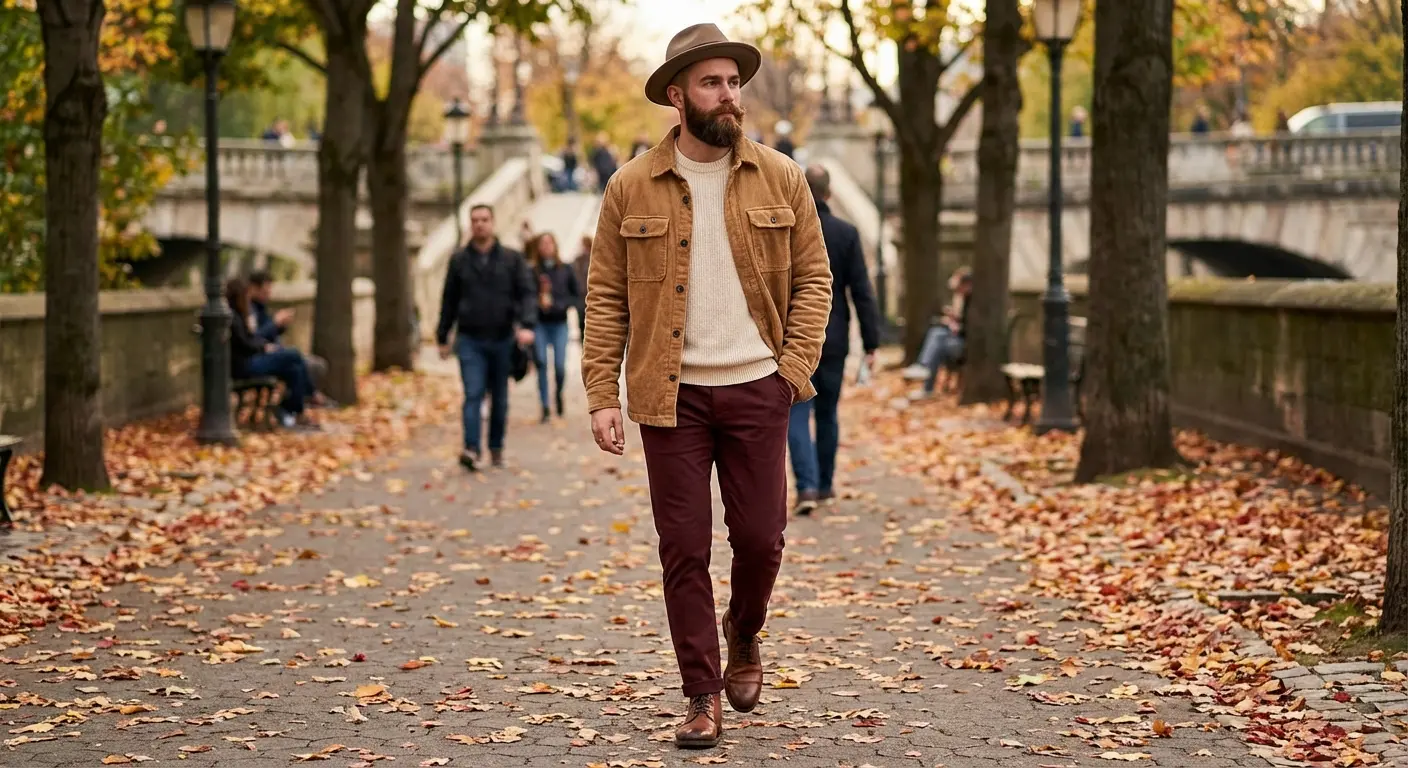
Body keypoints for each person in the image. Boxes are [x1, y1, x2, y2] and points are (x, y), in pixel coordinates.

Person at [581, 23, 832, 750]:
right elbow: (605, 297)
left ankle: (744, 633)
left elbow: (816, 278)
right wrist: (602, 393)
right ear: (677, 96)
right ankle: (701, 692)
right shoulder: (631, 186)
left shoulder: (781, 176)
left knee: (761, 540)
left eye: (734, 82)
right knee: (683, 549)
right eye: (713, 84)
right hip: (672, 398)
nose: (730, 96)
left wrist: (791, 372)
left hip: (760, 388)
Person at [786, 165, 879, 515]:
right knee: (827, 414)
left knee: (797, 413)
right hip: (834, 338)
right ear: (828, 193)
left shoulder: (789, 233)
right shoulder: (846, 233)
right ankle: (825, 485)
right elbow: (862, 291)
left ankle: (806, 486)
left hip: (794, 338)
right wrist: (871, 342)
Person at [436, 204, 537, 471]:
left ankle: (496, 447)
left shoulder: (511, 259)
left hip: (503, 338)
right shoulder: (459, 260)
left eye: (484, 219)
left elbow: (527, 293)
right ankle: (471, 447)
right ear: (471, 225)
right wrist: (442, 335)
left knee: (500, 398)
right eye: (475, 220)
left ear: (493, 223)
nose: (480, 224)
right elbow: (449, 299)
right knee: (473, 393)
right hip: (470, 339)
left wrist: (527, 325)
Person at [225, 277, 318, 431]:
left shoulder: (242, 314)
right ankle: (310, 394)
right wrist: (264, 348)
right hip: (246, 365)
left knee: (294, 369)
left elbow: (252, 339)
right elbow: (245, 343)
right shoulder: (234, 317)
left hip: (251, 359)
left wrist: (266, 343)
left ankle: (293, 411)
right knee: (293, 354)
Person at [247, 270, 332, 405]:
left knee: (309, 366)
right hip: (258, 357)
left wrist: (280, 326)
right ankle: (310, 396)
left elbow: (267, 334)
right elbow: (253, 337)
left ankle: (294, 409)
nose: (268, 294)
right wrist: (275, 323)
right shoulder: (248, 309)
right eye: (265, 291)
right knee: (297, 358)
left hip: (269, 353)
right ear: (254, 288)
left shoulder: (260, 307)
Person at [527, 232, 580, 422]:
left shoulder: (565, 269)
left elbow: (576, 295)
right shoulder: (532, 271)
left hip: (559, 323)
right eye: (542, 243)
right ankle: (545, 405)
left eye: (549, 242)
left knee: (559, 366)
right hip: (540, 324)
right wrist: (537, 304)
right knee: (541, 362)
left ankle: (558, 393)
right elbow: (525, 296)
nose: (546, 246)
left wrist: (559, 305)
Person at [908, 267, 972, 398]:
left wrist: (956, 325)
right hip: (957, 338)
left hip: (965, 344)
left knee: (938, 343)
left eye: (959, 288)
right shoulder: (963, 300)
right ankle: (924, 369)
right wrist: (952, 319)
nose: (957, 292)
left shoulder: (974, 303)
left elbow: (969, 327)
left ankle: (926, 377)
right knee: (936, 333)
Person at [572, 234, 593, 341]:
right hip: (580, 298)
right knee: (581, 324)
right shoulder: (577, 261)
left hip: (592, 296)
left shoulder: (595, 258)